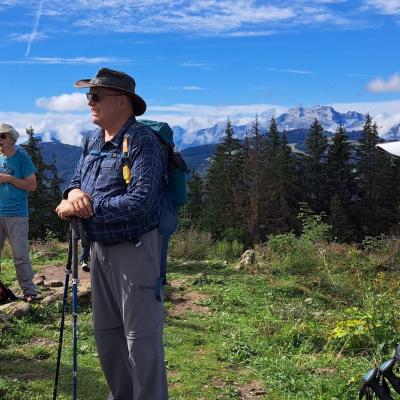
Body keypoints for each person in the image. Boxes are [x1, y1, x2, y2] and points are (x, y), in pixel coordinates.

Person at [55, 67, 168, 400]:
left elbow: (141, 202)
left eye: (96, 96)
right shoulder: (92, 140)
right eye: (88, 96)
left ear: (122, 101)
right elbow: (74, 178)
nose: (89, 102)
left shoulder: (142, 141)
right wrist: (72, 193)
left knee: (140, 340)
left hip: (135, 249)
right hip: (98, 250)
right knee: (107, 336)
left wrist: (85, 209)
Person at [0, 123, 37, 302]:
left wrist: (9, 178)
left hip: (17, 214)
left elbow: (32, 185)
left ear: (12, 139)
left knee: (20, 255)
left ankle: (29, 291)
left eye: (2, 136)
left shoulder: (22, 158)